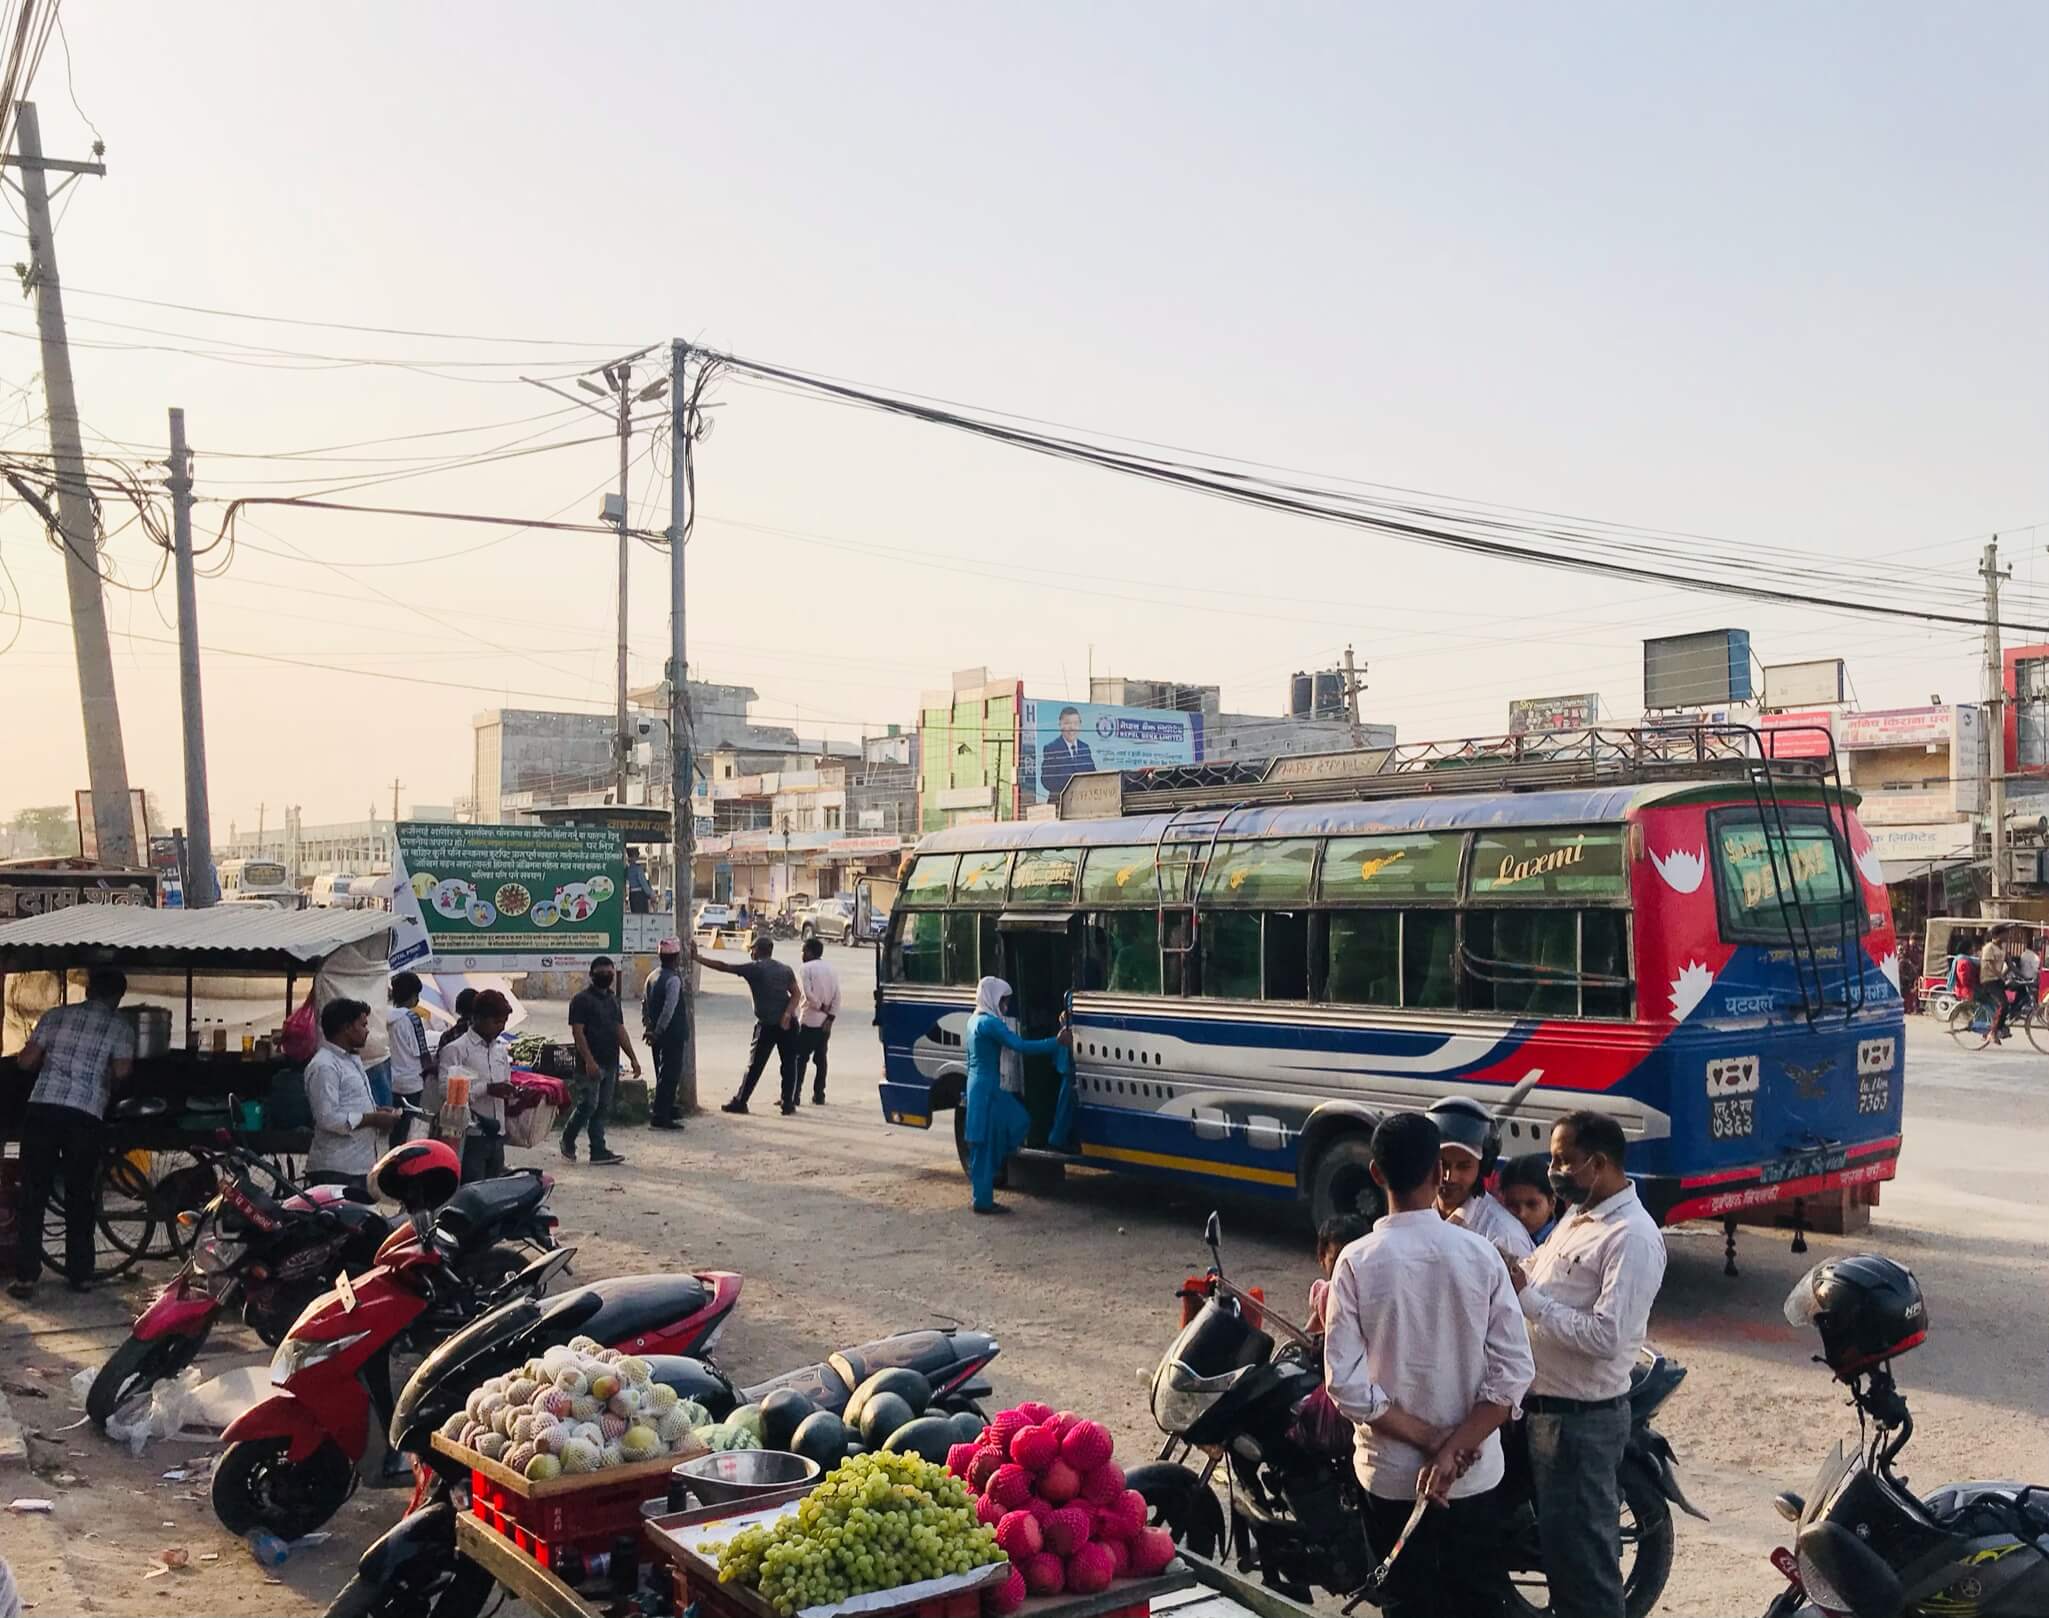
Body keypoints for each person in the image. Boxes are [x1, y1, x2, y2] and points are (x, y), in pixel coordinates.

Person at [1324, 1112, 1534, 1618]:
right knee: (1478, 1602)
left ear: (1375, 1173)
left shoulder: (1355, 1261)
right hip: (1472, 1475)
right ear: (1439, 1171)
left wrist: (1429, 1441)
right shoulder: (1481, 1255)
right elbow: (1514, 1374)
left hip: (1392, 1477)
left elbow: (1346, 1388)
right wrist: (1453, 1448)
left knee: (1408, 1605)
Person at [1506, 1111, 1667, 1618]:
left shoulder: (1631, 1237)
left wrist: (1528, 1298)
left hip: (1580, 1424)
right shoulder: (1577, 1218)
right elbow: (1537, 1273)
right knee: (1559, 1560)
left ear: (1597, 1164)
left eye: (1562, 1161)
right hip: (1541, 1415)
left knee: (1586, 1576)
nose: (1554, 1171)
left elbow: (1606, 1336)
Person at [9, 967, 136, 1299]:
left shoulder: (55, 1015)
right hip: (85, 1113)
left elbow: (25, 1062)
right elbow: (122, 1070)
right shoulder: (120, 1026)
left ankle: (25, 1277)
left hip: (43, 1109)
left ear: (89, 990)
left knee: (33, 1193)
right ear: (118, 996)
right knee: (80, 1195)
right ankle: (80, 1276)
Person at [961, 977, 1070, 1215]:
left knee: (984, 1140)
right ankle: (983, 1200)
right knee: (1013, 1124)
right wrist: (1056, 1042)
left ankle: (982, 1197)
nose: (1006, 1007)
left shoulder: (973, 1020)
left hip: (976, 1085)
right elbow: (1020, 1046)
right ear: (993, 998)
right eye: (1004, 1001)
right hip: (988, 1088)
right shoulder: (990, 1024)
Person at [305, 997, 402, 1191]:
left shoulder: (350, 1060)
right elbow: (328, 1118)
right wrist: (372, 1118)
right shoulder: (325, 1065)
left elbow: (350, 1106)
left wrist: (377, 1111)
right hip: (337, 1168)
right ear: (347, 1028)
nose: (367, 1030)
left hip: (358, 1165)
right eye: (363, 1025)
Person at [702, 937, 802, 1115]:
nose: (750, 952)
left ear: (758, 950)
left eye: (752, 949)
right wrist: (787, 1014)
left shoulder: (755, 968)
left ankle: (741, 1101)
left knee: (755, 1065)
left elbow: (724, 966)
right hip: (788, 1024)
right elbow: (796, 993)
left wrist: (698, 958)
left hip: (768, 1024)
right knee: (788, 1064)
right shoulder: (785, 969)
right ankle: (788, 1103)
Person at [1429, 1096, 1533, 1261]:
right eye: (1443, 1164)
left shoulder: (1504, 1236)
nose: (1450, 1177)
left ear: (1483, 1166)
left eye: (1463, 1166)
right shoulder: (1417, 1214)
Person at [564, 958, 638, 1166]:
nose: (606, 975)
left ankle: (598, 1150)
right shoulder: (581, 1000)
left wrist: (633, 1058)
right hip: (589, 1063)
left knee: (603, 1107)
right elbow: (578, 1033)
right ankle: (568, 1139)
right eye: (601, 972)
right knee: (588, 1105)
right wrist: (589, 1061)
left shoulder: (613, 1000)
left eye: (609, 972)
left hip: (610, 1061)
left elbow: (619, 1030)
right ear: (592, 974)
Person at [439, 989, 514, 1182]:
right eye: (496, 1022)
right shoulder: (456, 1050)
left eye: (504, 1022)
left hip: (497, 1134)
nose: (501, 1027)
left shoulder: (500, 1051)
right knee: (471, 1191)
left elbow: (505, 1084)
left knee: (493, 1191)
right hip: (471, 1135)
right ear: (478, 1018)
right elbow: (446, 1093)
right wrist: (486, 1089)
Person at [643, 937, 689, 1130]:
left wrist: (649, 1029)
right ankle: (660, 1116)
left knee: (661, 1072)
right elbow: (669, 1009)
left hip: (655, 1032)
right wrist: (659, 1030)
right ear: (676, 957)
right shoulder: (673, 979)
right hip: (671, 1033)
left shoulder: (652, 976)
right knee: (669, 1074)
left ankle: (666, 1107)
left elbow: (644, 1005)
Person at [384, 972, 434, 1147]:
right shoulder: (412, 1018)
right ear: (413, 995)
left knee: (392, 1133)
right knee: (407, 1134)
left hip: (390, 1081)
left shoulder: (384, 1017)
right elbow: (423, 1053)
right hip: (411, 1083)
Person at [795, 936, 842, 1105]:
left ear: (809, 952)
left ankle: (794, 1095)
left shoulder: (805, 968)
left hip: (809, 1020)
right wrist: (830, 1017)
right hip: (825, 1024)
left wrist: (821, 1006)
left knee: (800, 1059)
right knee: (821, 1060)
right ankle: (819, 1094)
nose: (801, 954)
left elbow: (807, 994)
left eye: (803, 950)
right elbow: (837, 996)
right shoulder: (831, 969)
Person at [1495, 1152, 1559, 1247]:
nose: (1522, 1214)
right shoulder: (1496, 1239)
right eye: (1512, 1205)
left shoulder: (1564, 1242)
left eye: (1532, 1204)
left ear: (1551, 1203)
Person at [1038, 705, 1098, 802]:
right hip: (1060, 803)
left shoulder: (1085, 748)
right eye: (1067, 723)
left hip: (1083, 802)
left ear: (1080, 725)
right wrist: (1070, 787)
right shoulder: (1052, 748)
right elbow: (1046, 780)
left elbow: (1092, 774)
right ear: (1060, 725)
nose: (1072, 728)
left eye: (1075, 723)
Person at [1979, 931, 2012, 1042]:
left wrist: (2023, 977)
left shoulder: (2003, 948)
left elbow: (2010, 964)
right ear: (1997, 935)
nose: (2007, 936)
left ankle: (2002, 1025)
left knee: (2018, 988)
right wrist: (2001, 976)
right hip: (1988, 981)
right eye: (2005, 934)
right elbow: (1990, 965)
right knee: (2004, 1004)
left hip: (1998, 980)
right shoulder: (1989, 947)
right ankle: (1993, 1032)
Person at [625, 848, 655, 915]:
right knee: (643, 916)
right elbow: (643, 882)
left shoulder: (627, 869)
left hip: (632, 895)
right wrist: (650, 893)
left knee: (635, 914)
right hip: (640, 896)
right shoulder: (638, 868)